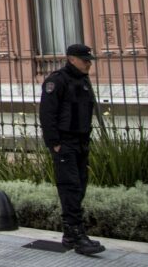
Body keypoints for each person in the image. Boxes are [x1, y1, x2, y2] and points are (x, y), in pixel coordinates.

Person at [39, 43, 105, 255]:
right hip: (65, 143)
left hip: (81, 142)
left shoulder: (83, 81)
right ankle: (76, 235)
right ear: (71, 59)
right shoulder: (56, 81)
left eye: (89, 60)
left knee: (80, 186)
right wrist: (54, 143)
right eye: (85, 60)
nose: (88, 64)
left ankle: (71, 234)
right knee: (70, 188)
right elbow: (47, 115)